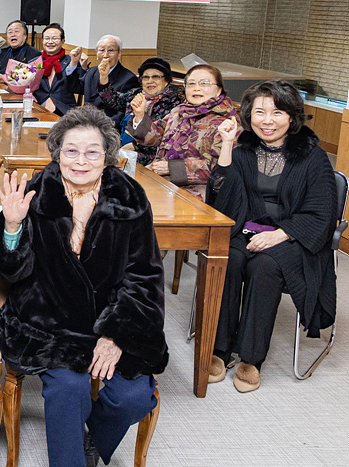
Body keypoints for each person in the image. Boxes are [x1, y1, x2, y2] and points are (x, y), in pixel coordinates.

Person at [0, 104, 167, 467]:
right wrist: (11, 227)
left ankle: (89, 441)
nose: (81, 161)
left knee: (133, 397)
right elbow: (11, 271)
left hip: (115, 316)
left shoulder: (129, 198)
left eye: (93, 151)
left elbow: (144, 276)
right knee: (69, 389)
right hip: (51, 320)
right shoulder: (36, 193)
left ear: (108, 156)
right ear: (57, 153)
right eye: (71, 151)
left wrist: (115, 334)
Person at [207, 81, 337, 393]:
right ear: (248, 116)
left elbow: (322, 212)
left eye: (277, 112)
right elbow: (221, 206)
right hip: (246, 230)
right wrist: (226, 146)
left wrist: (280, 234)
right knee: (229, 257)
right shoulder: (242, 152)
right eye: (260, 112)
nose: (267, 120)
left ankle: (252, 358)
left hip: (293, 239)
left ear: (292, 117)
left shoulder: (313, 157)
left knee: (263, 267)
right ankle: (219, 349)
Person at [132, 64, 238, 199]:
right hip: (161, 179)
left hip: (196, 190)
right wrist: (140, 115)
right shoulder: (179, 111)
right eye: (191, 84)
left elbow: (217, 168)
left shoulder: (226, 121)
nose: (197, 88)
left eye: (204, 83)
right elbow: (152, 137)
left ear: (218, 90)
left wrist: (171, 167)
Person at [98, 57, 184, 166]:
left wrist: (135, 145)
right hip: (123, 146)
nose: (150, 81)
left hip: (150, 154)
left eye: (156, 77)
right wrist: (104, 77)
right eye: (146, 77)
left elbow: (167, 138)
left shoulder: (174, 103)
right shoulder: (136, 94)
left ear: (166, 80)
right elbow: (112, 100)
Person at [65, 35, 139, 123]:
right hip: (86, 123)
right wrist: (73, 62)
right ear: (97, 54)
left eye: (111, 50)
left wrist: (100, 127)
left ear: (119, 54)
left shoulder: (129, 78)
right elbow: (75, 87)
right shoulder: (92, 71)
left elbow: (122, 114)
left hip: (108, 128)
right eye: (102, 50)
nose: (105, 55)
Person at [33, 23, 77, 115]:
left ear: (62, 41)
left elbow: (77, 86)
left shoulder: (71, 61)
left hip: (65, 111)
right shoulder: (34, 62)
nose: (50, 42)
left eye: (54, 38)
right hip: (38, 108)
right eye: (47, 38)